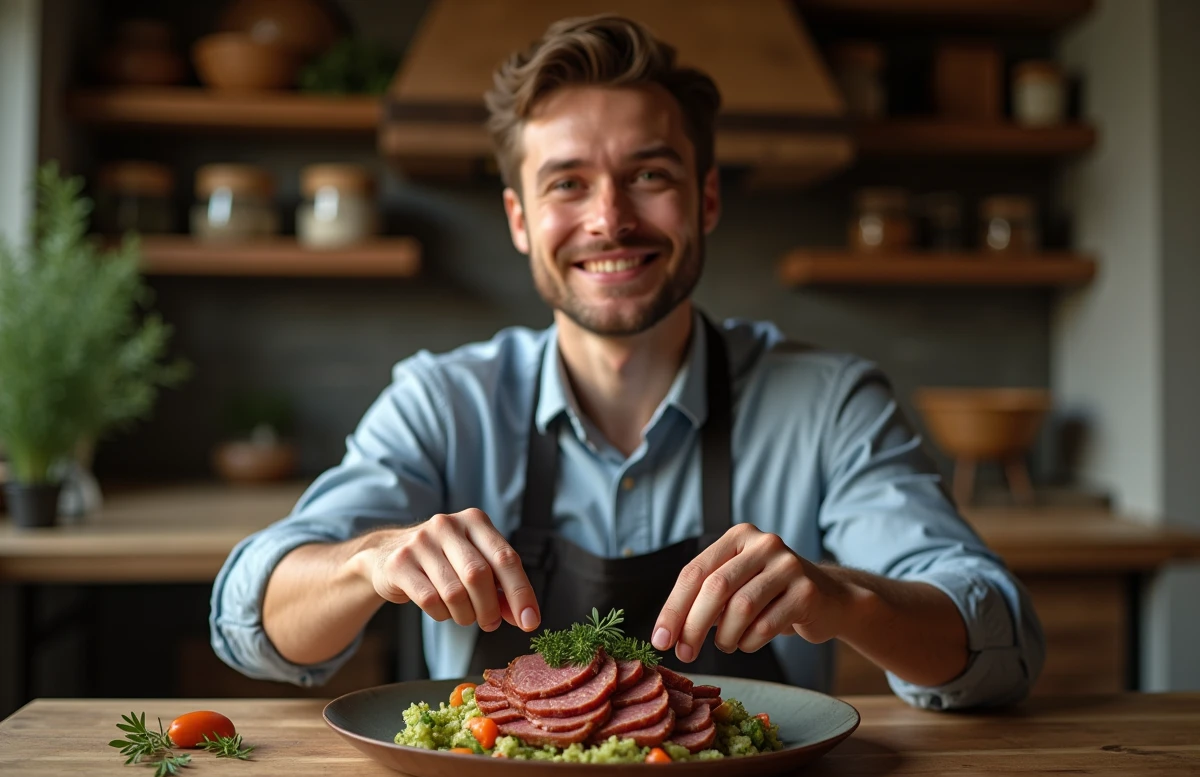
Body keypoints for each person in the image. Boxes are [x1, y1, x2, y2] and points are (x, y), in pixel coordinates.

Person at [210, 15, 1043, 709]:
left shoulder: (830, 405)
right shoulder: (441, 402)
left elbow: (1000, 638)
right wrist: (364, 561)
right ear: (520, 220)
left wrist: (847, 598)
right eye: (567, 184)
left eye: (648, 174)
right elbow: (254, 627)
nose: (609, 220)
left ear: (705, 198)